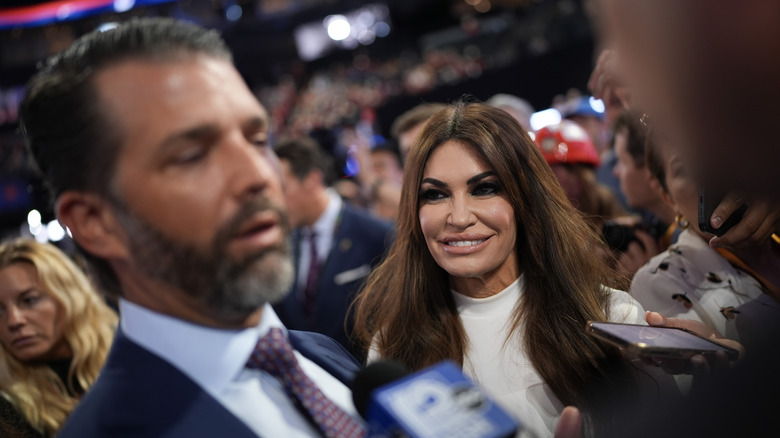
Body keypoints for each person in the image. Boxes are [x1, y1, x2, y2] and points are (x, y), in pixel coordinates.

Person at [20, 18, 363, 437]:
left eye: (257, 141)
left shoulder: (321, 353)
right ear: (95, 222)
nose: (257, 175)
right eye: (191, 156)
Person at [353, 102, 669, 437]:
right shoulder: (394, 346)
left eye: (484, 188)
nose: (459, 217)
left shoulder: (611, 317)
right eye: (434, 195)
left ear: (525, 198)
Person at [630, 129, 780, 350]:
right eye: (686, 167)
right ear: (669, 199)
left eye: (717, 154)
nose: (710, 176)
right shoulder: (657, 281)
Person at [273, 136, 393, 358]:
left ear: (312, 180)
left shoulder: (377, 235)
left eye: (282, 188)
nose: (275, 201)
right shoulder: (281, 243)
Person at [0, 238, 117, 437]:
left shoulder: (130, 358)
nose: (14, 320)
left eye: (29, 300)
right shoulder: (7, 410)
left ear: (69, 297)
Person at [607, 109, 677, 275]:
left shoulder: (698, 235)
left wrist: (648, 279)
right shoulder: (658, 230)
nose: (615, 172)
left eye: (622, 162)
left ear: (651, 167)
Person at [533, 120, 625, 231]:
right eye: (541, 173)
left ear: (579, 176)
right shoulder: (539, 221)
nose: (543, 181)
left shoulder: (612, 212)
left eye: (551, 172)